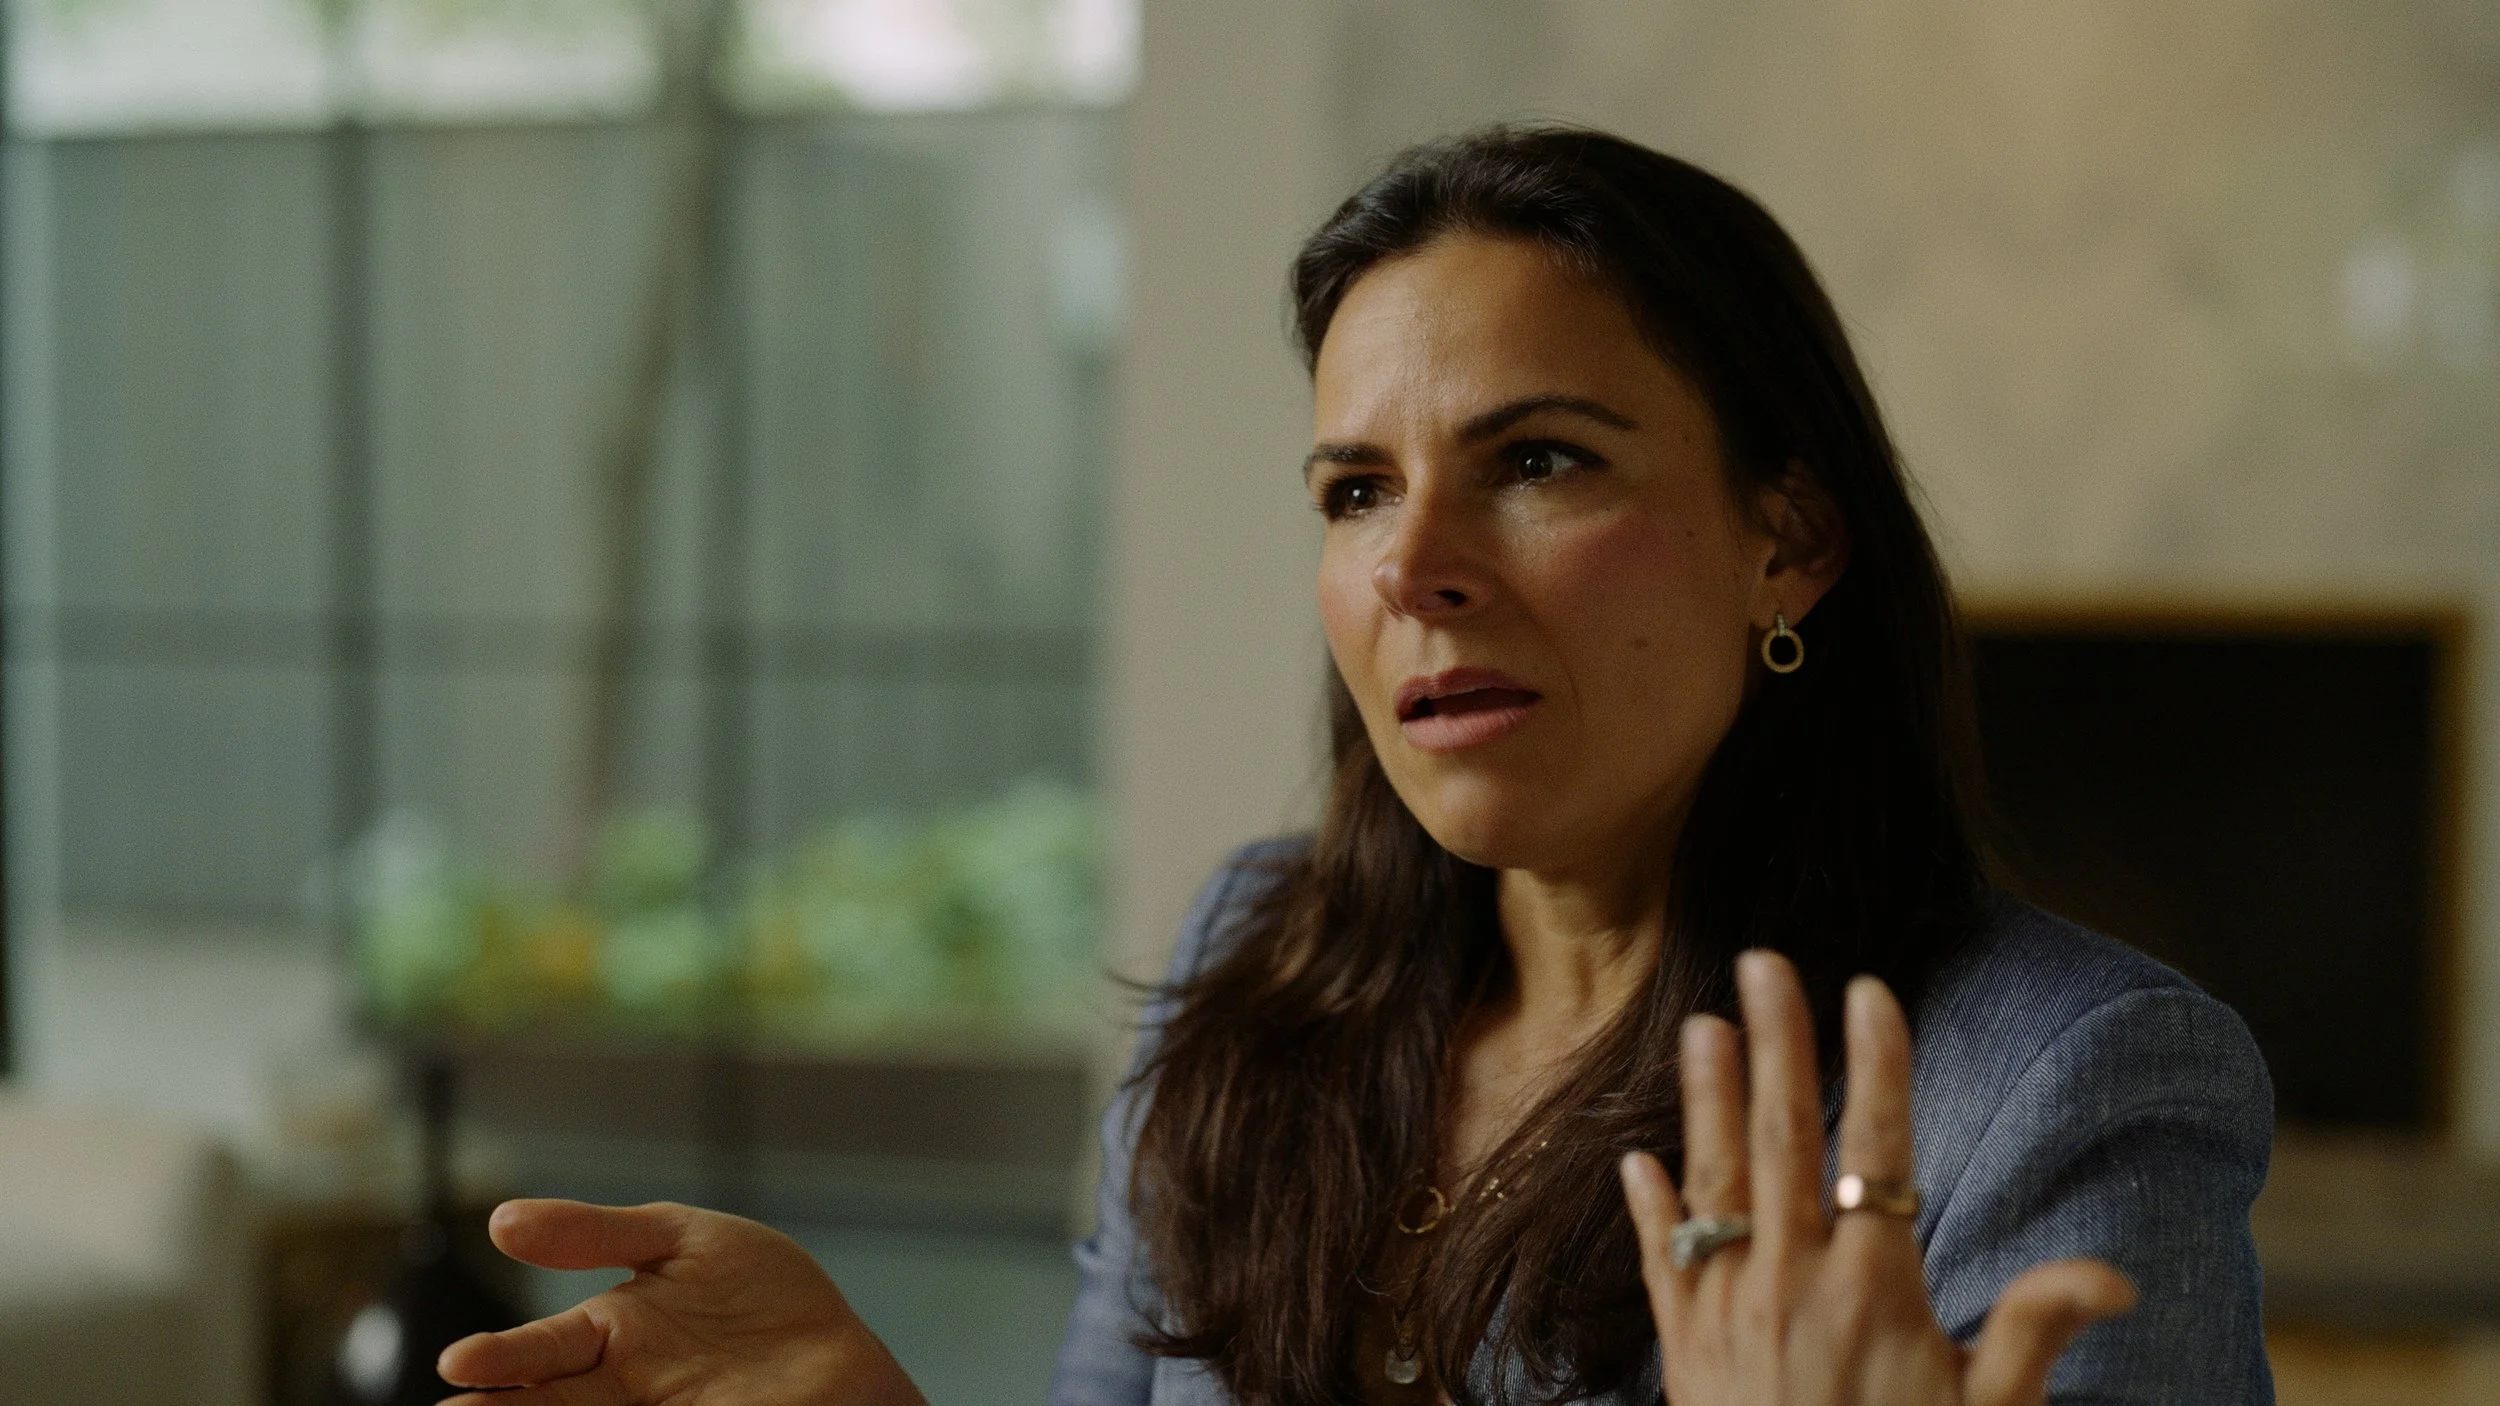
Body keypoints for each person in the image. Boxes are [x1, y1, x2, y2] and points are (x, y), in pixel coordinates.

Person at [434, 127, 2274, 1406]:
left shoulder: (2059, 1092)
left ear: (1786, 540)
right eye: (1357, 490)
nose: (1415, 565)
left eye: (1541, 458)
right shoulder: (1263, 961)